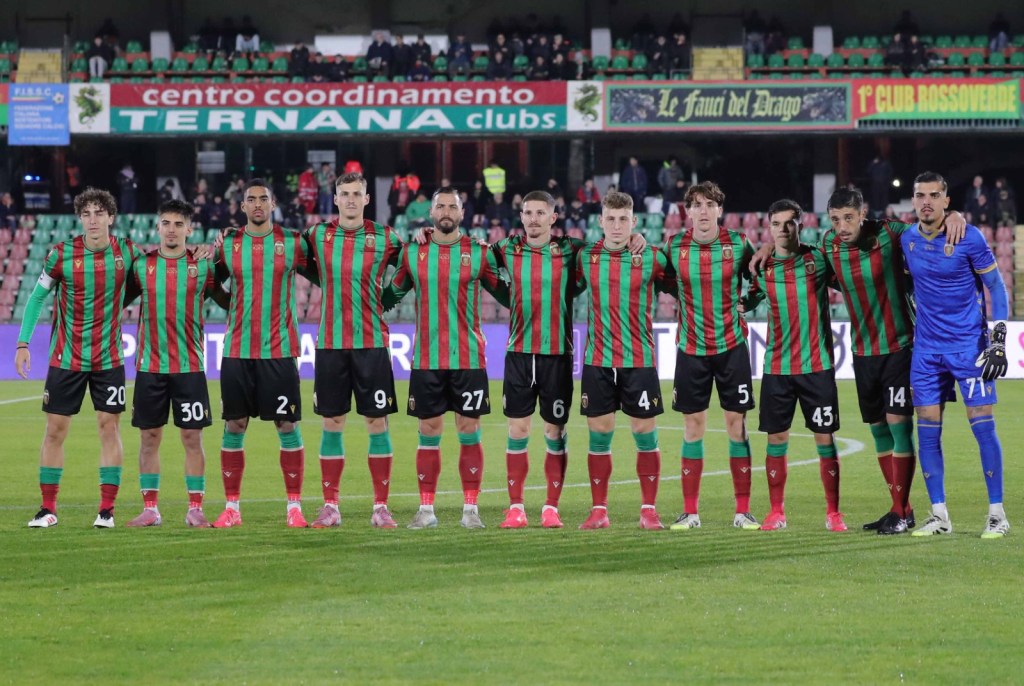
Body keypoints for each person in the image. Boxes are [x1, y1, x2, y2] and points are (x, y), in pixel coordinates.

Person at [819, 188, 965, 534]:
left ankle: (900, 512)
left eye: (849, 218)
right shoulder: (828, 244)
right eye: (836, 219)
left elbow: (930, 228)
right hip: (862, 352)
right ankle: (902, 508)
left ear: (863, 213)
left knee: (899, 425)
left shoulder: (890, 233)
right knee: (878, 430)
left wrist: (953, 216)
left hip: (900, 347)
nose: (842, 226)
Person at [17, 188, 143, 528]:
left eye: (99, 213)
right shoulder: (61, 255)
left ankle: (106, 510)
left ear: (111, 218)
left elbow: (158, 277)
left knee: (109, 428)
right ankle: (47, 509)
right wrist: (22, 343)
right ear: (80, 218)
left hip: (109, 358)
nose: (93, 220)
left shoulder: (127, 252)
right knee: (55, 430)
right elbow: (36, 298)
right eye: (86, 214)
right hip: (66, 358)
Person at [384, 187, 509, 529]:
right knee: (429, 432)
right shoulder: (413, 254)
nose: (445, 210)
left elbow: (509, 295)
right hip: (426, 359)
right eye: (440, 205)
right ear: (431, 212)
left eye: (452, 205)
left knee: (469, 431)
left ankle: (471, 510)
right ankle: (427, 510)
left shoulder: (478, 254)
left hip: (468, 359)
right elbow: (389, 296)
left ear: (462, 212)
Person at [902, 172, 1010, 538]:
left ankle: (997, 513)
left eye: (934, 195)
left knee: (982, 427)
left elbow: (997, 286)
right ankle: (939, 516)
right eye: (920, 195)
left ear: (947, 201)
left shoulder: (968, 236)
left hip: (970, 349)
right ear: (913, 201)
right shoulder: (907, 240)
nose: (927, 201)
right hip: (927, 351)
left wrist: (997, 341)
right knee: (928, 431)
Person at [211, 179, 314, 528]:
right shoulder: (229, 245)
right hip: (238, 350)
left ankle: (294, 508)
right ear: (242, 207)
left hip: (280, 350)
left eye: (263, 199)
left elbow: (324, 274)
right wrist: (233, 307)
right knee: (234, 424)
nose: (257, 204)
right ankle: (231, 509)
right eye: (251, 199)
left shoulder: (293, 243)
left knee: (287, 425)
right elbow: (213, 284)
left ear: (273, 205)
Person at [302, 173, 403, 528]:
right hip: (330, 343)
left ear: (365, 199)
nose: (349, 199)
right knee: (332, 422)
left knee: (377, 422)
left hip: (372, 343)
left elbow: (410, 268)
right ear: (334, 198)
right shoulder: (316, 235)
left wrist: (385, 301)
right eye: (343, 194)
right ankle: (330, 506)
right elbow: (295, 262)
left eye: (355, 194)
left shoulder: (385, 237)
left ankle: (380, 507)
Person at [661, 182, 760, 531]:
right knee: (693, 427)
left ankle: (743, 511)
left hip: (732, 346)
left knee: (737, 426)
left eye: (709, 205)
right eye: (696, 205)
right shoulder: (674, 247)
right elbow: (660, 279)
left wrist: (748, 303)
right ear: (687, 211)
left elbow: (760, 275)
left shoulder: (738, 243)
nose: (703, 211)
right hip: (691, 349)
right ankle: (690, 512)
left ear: (720, 209)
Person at [124, 200, 227, 528]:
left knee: (192, 439)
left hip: (190, 367)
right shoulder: (142, 266)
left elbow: (228, 300)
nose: (171, 229)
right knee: (149, 437)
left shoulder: (204, 267)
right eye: (166, 223)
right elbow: (115, 301)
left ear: (189, 229)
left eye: (178, 224)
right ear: (157, 228)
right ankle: (151, 509)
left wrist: (219, 255)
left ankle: (195, 508)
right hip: (150, 367)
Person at [744, 199, 846, 532]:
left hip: (816, 366)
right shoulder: (762, 267)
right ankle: (776, 512)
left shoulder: (819, 259)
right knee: (776, 440)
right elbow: (745, 300)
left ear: (800, 225)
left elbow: (850, 277)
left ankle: (833, 513)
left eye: (790, 223)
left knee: (824, 439)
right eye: (776, 224)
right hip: (777, 368)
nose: (783, 229)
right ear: (769, 228)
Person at [575, 191, 671, 530]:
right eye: (610, 219)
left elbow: (686, 288)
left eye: (624, 219)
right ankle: (599, 510)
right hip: (598, 359)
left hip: (639, 359)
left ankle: (649, 510)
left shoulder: (653, 258)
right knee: (599, 435)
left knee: (645, 433)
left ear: (634, 222)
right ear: (600, 221)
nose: (617, 225)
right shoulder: (585, 257)